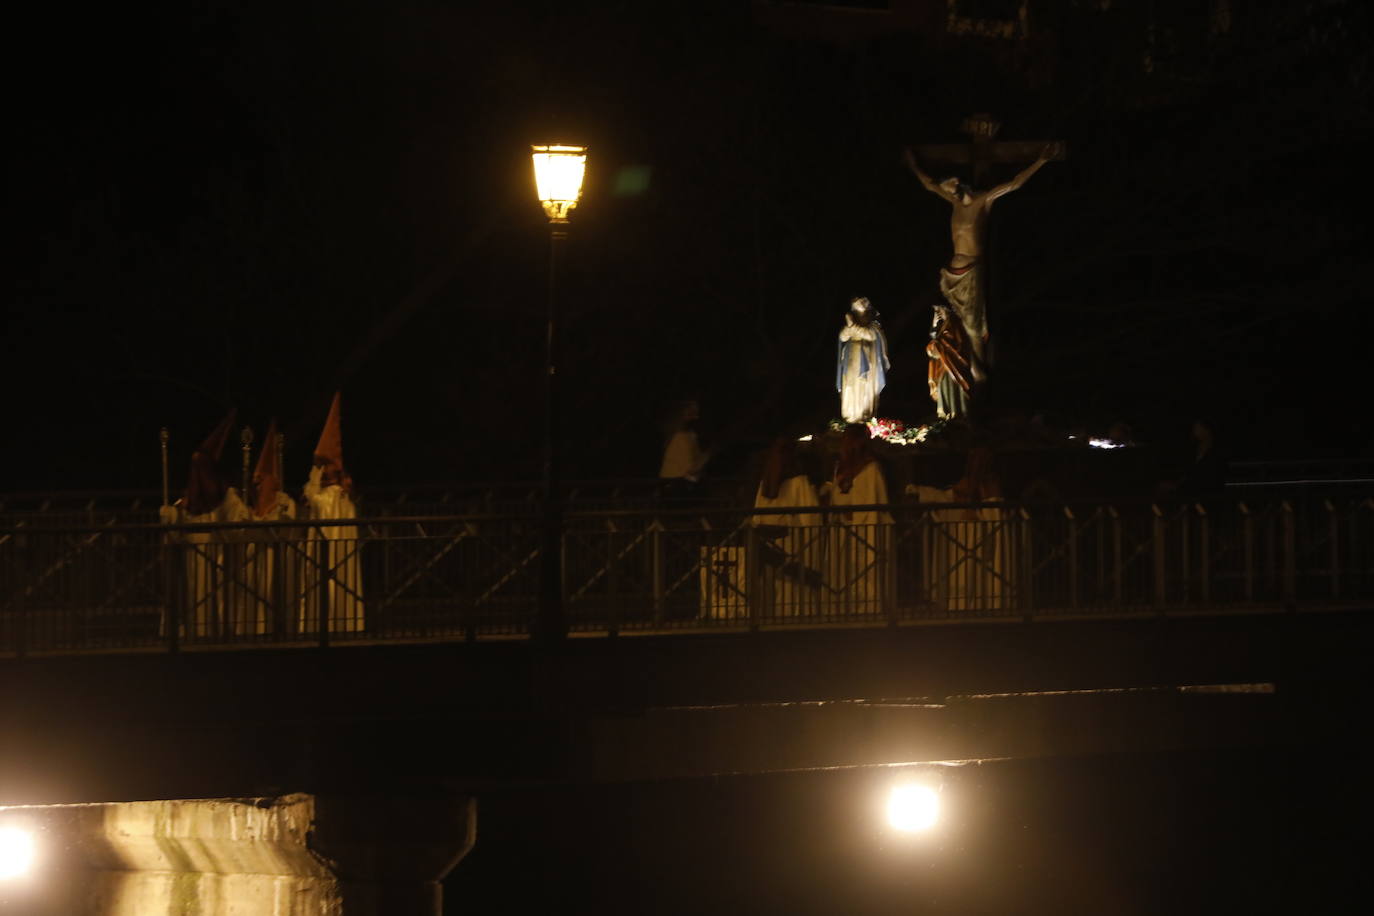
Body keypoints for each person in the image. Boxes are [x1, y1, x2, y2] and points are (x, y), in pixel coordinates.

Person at [904, 144, 1057, 380]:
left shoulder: (983, 202)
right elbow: (929, 185)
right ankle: (957, 366)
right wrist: (913, 165)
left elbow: (1014, 183)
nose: (947, 188)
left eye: (950, 184)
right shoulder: (953, 203)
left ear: (958, 185)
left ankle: (977, 368)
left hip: (971, 270)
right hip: (952, 272)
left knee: (973, 323)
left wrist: (1041, 161)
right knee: (952, 320)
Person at [824, 424, 891, 615]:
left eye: (848, 440)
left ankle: (868, 609)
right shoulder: (840, 468)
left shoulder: (871, 469)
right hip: (842, 531)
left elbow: (873, 500)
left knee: (864, 574)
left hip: (863, 533)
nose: (844, 445)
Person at [752, 437, 823, 617]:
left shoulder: (766, 482)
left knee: (779, 590)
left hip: (772, 546)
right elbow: (811, 518)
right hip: (794, 543)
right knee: (795, 591)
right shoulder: (798, 481)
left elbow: (757, 517)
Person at [836, 297, 890, 424]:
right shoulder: (849, 325)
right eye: (857, 302)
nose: (859, 302)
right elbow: (842, 337)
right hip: (850, 360)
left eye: (862, 301)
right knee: (849, 386)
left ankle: (863, 415)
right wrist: (850, 328)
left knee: (863, 386)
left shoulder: (872, 324)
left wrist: (853, 326)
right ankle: (850, 415)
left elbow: (871, 335)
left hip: (867, 361)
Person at [927, 303, 974, 419]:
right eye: (936, 312)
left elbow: (951, 342)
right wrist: (934, 328)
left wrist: (936, 343)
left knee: (952, 386)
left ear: (946, 310)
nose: (938, 314)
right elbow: (936, 343)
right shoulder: (943, 325)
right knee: (943, 387)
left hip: (952, 365)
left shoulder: (953, 323)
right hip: (943, 364)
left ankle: (956, 415)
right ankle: (946, 417)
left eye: (939, 311)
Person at [658, 398, 711, 498]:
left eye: (695, 413)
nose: (695, 417)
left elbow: (697, 460)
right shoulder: (676, 434)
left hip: (686, 481)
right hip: (676, 482)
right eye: (691, 412)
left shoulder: (691, 435)